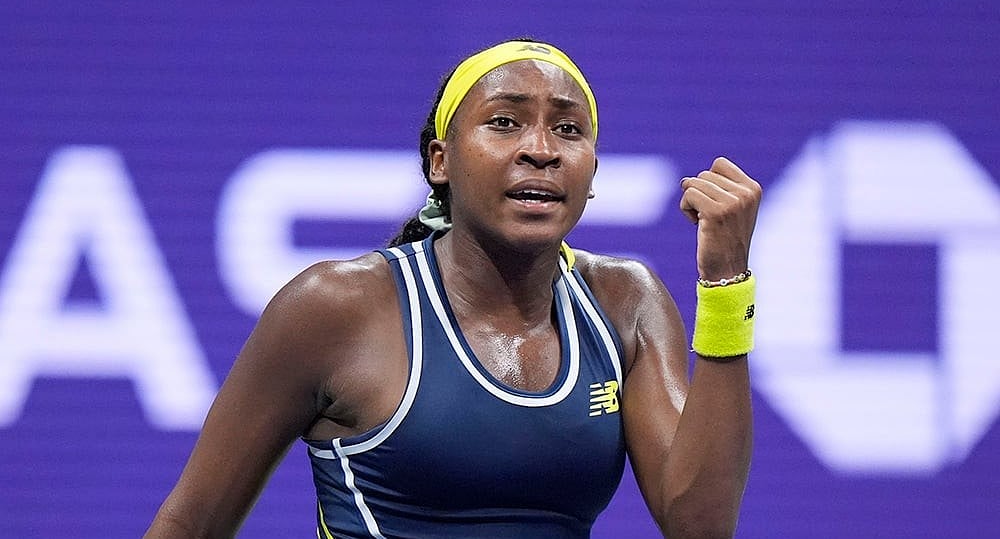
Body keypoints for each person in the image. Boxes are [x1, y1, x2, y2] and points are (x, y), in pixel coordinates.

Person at [146, 38, 761, 539]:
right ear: (441, 162)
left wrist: (726, 284)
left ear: (592, 172)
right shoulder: (335, 308)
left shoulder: (626, 301)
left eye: (569, 131)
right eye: (504, 122)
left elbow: (699, 525)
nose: (541, 150)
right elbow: (190, 523)